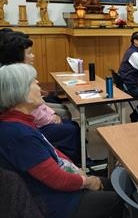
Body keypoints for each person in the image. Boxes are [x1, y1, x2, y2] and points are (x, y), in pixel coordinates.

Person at [0, 63, 122, 218]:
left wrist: (78, 172)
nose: (38, 83)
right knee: (119, 198)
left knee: (113, 183)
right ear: (19, 92)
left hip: (53, 189)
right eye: (32, 81)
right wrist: (87, 181)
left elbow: (50, 149)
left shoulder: (19, 122)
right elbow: (56, 179)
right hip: (56, 202)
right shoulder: (18, 134)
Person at [0, 32, 81, 164]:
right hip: (33, 124)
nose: (33, 56)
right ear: (18, 55)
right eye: (29, 53)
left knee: (70, 122)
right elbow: (30, 109)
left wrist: (51, 113)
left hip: (34, 119)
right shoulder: (15, 77)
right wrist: (50, 117)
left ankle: (71, 156)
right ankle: (72, 162)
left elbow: (39, 104)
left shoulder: (21, 71)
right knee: (71, 128)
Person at [118, 31, 138, 120]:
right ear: (135, 41)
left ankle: (137, 114)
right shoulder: (134, 54)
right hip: (131, 88)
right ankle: (137, 116)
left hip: (126, 85)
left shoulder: (132, 51)